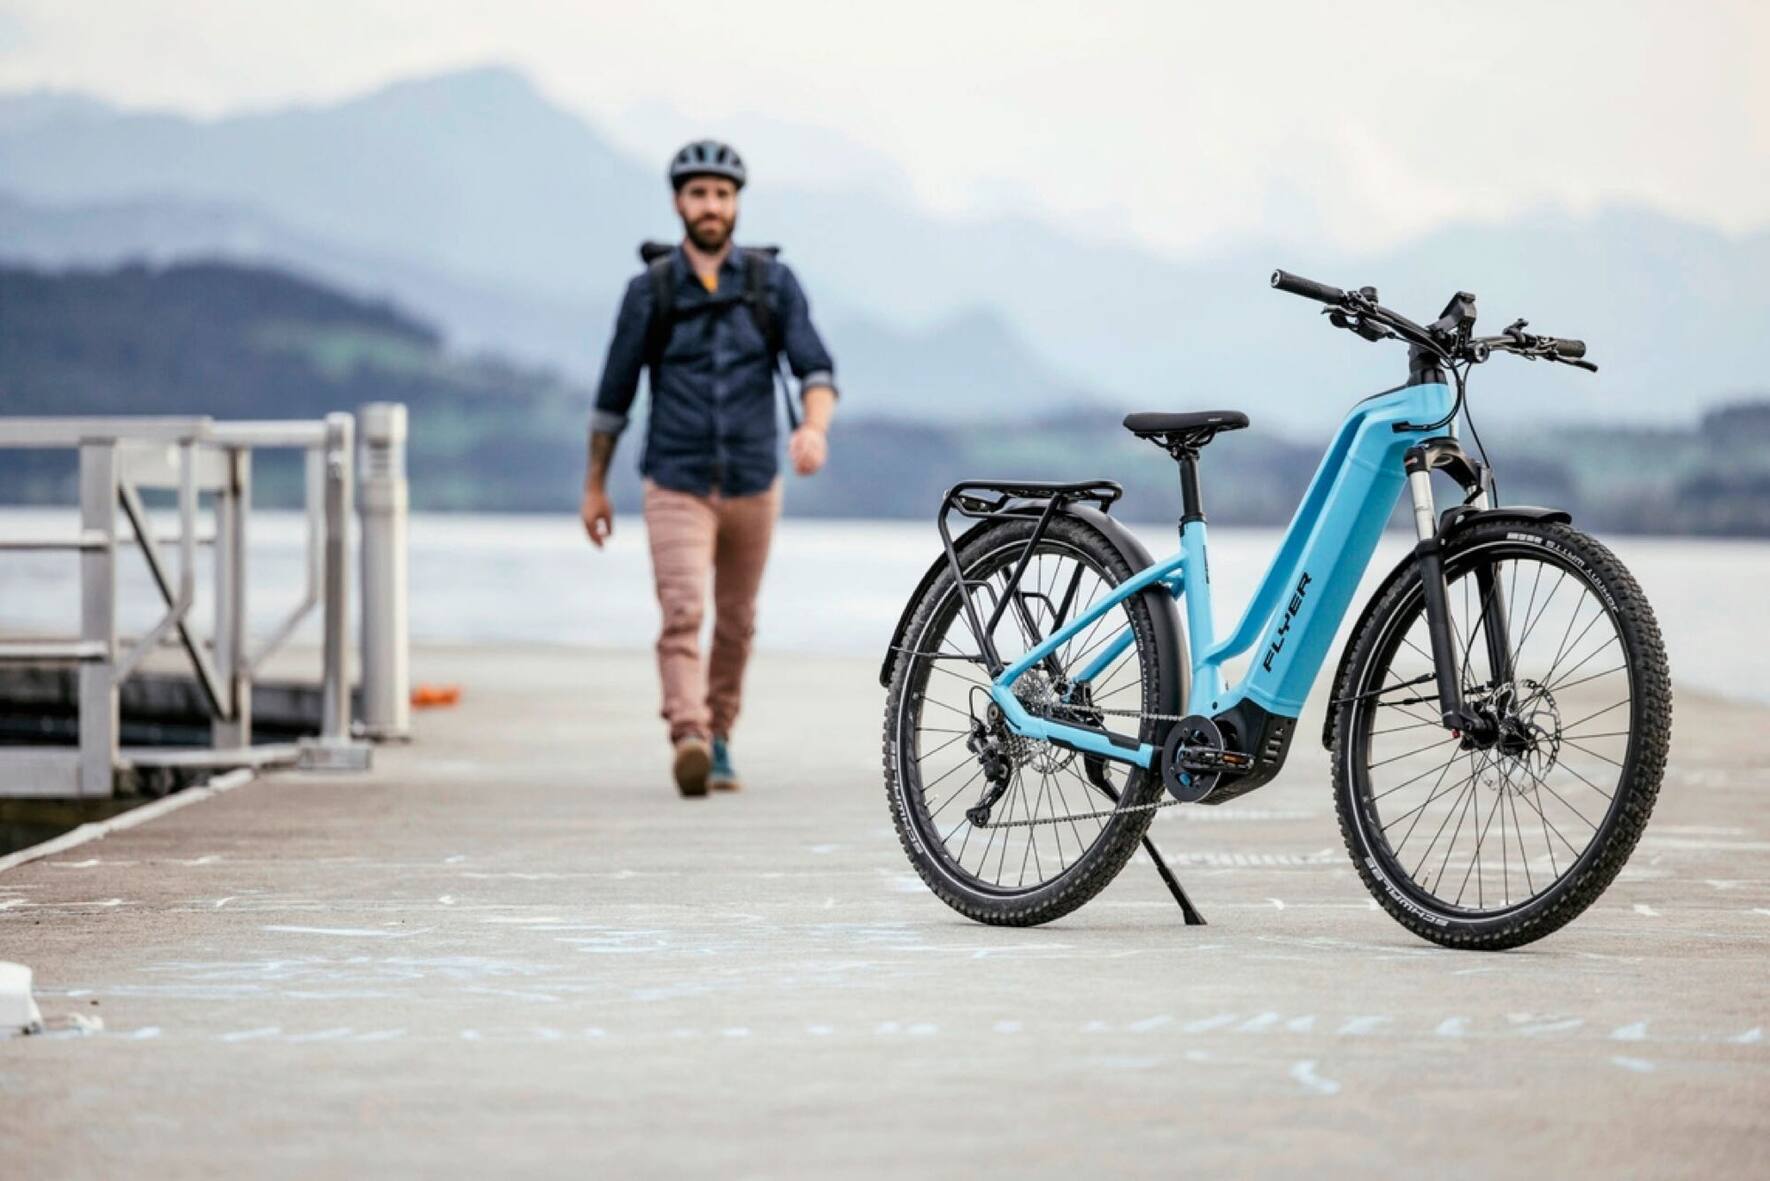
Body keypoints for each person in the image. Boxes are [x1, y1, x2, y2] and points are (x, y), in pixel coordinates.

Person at [581, 139, 838, 798]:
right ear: (678, 203)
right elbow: (613, 398)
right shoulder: (650, 290)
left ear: (736, 204)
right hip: (676, 479)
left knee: (737, 620)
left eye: (722, 194)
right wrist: (594, 488)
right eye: (699, 194)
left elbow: (816, 370)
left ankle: (719, 735)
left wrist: (813, 429)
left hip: (754, 479)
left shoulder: (773, 284)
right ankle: (689, 735)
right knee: (682, 610)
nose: (711, 206)